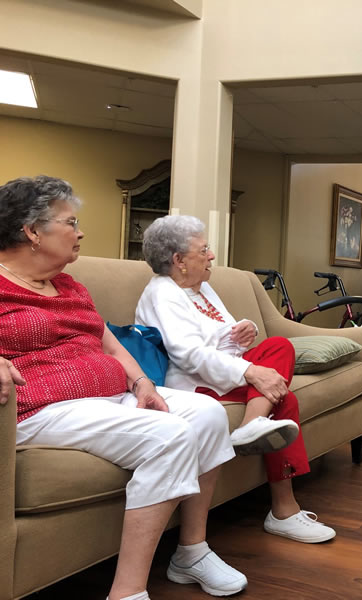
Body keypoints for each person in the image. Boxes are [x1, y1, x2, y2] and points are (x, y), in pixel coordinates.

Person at [0, 176, 247, 600]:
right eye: (70, 222)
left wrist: (141, 382)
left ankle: (191, 551)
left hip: (108, 395)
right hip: (42, 407)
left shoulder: (70, 285)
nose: (80, 233)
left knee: (207, 415)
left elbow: (108, 341)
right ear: (32, 231)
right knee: (169, 436)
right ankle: (127, 592)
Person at [135, 215, 336, 544]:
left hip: (222, 371)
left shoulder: (203, 288)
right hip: (192, 382)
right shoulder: (163, 294)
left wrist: (247, 330)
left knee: (278, 345)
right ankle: (283, 510)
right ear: (178, 261)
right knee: (286, 398)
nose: (211, 255)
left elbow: (226, 339)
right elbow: (189, 355)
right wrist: (251, 371)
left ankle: (250, 428)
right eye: (204, 249)